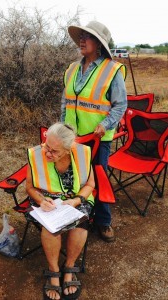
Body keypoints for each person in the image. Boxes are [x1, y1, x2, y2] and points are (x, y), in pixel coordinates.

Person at [61, 20, 127, 243]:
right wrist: (63, 127)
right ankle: (80, 217)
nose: (81, 40)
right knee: (77, 179)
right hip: (73, 137)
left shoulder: (112, 70)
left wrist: (105, 124)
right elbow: (66, 101)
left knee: (98, 178)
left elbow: (120, 105)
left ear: (98, 43)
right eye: (80, 36)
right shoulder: (72, 68)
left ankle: (104, 221)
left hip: (99, 138)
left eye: (86, 37)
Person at [26, 122, 95, 300]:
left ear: (67, 149)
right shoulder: (35, 154)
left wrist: (76, 200)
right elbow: (29, 187)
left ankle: (69, 268)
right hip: (47, 201)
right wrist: (41, 200)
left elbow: (90, 185)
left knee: (80, 226)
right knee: (50, 228)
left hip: (76, 198)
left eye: (54, 151)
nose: (47, 153)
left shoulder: (82, 153)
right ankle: (54, 271)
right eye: (47, 146)